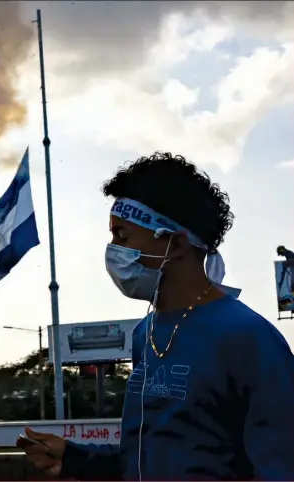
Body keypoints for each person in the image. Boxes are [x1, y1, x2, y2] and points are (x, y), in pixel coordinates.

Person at [18, 153, 294, 480]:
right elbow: (144, 458)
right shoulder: (144, 334)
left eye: (122, 236)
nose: (112, 251)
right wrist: (75, 458)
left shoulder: (249, 339)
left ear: (174, 244)